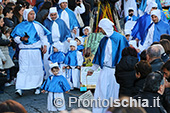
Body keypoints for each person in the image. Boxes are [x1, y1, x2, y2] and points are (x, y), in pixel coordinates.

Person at [87, 18, 129, 113]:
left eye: (101, 28)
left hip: (116, 70)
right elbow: (99, 55)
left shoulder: (120, 39)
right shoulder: (103, 40)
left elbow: (125, 54)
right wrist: (93, 69)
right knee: (101, 92)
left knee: (114, 93)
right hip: (105, 70)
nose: (100, 31)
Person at [11, 9, 50, 96]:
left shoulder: (38, 25)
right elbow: (15, 38)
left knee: (36, 68)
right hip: (24, 51)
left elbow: (43, 37)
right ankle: (20, 87)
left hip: (35, 51)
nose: (33, 15)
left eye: (33, 14)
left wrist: (45, 45)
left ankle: (37, 86)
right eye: (31, 14)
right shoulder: (20, 26)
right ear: (26, 15)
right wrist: (22, 39)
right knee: (23, 69)